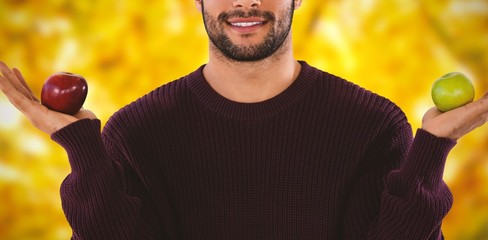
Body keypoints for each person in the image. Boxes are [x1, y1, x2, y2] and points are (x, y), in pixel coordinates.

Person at [0, 0, 487, 239]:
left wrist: (430, 151)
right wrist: (84, 150)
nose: (245, 2)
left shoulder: (372, 125)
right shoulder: (136, 133)